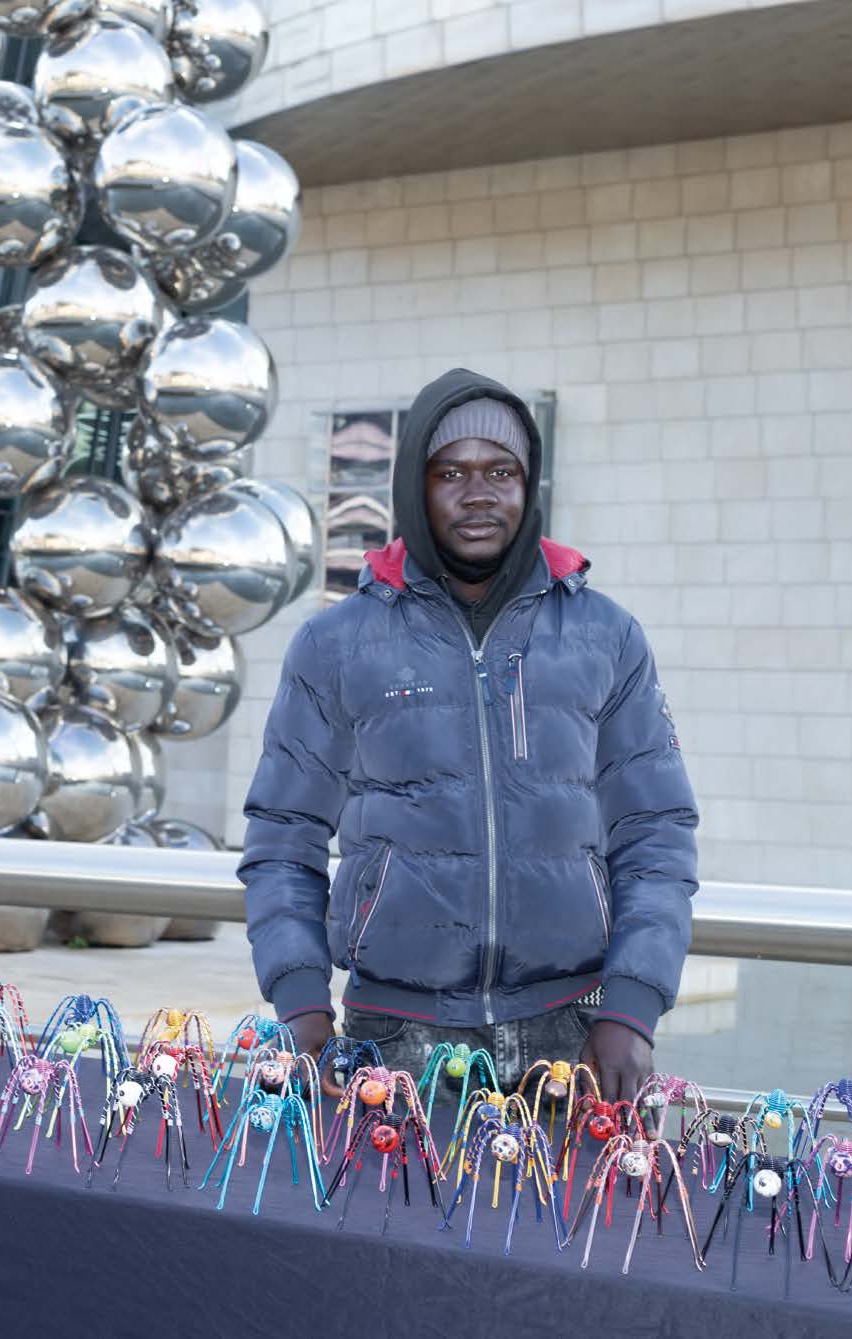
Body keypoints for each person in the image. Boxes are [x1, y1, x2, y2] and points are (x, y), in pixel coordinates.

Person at [238, 368, 699, 1104]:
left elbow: (656, 830)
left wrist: (632, 1004)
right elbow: (284, 834)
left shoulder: (604, 635)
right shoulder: (338, 643)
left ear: (529, 483)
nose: (479, 492)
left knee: (583, 1224)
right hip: (393, 1042)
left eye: (501, 471)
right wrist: (300, 1000)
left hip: (576, 1040)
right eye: (450, 471)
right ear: (414, 486)